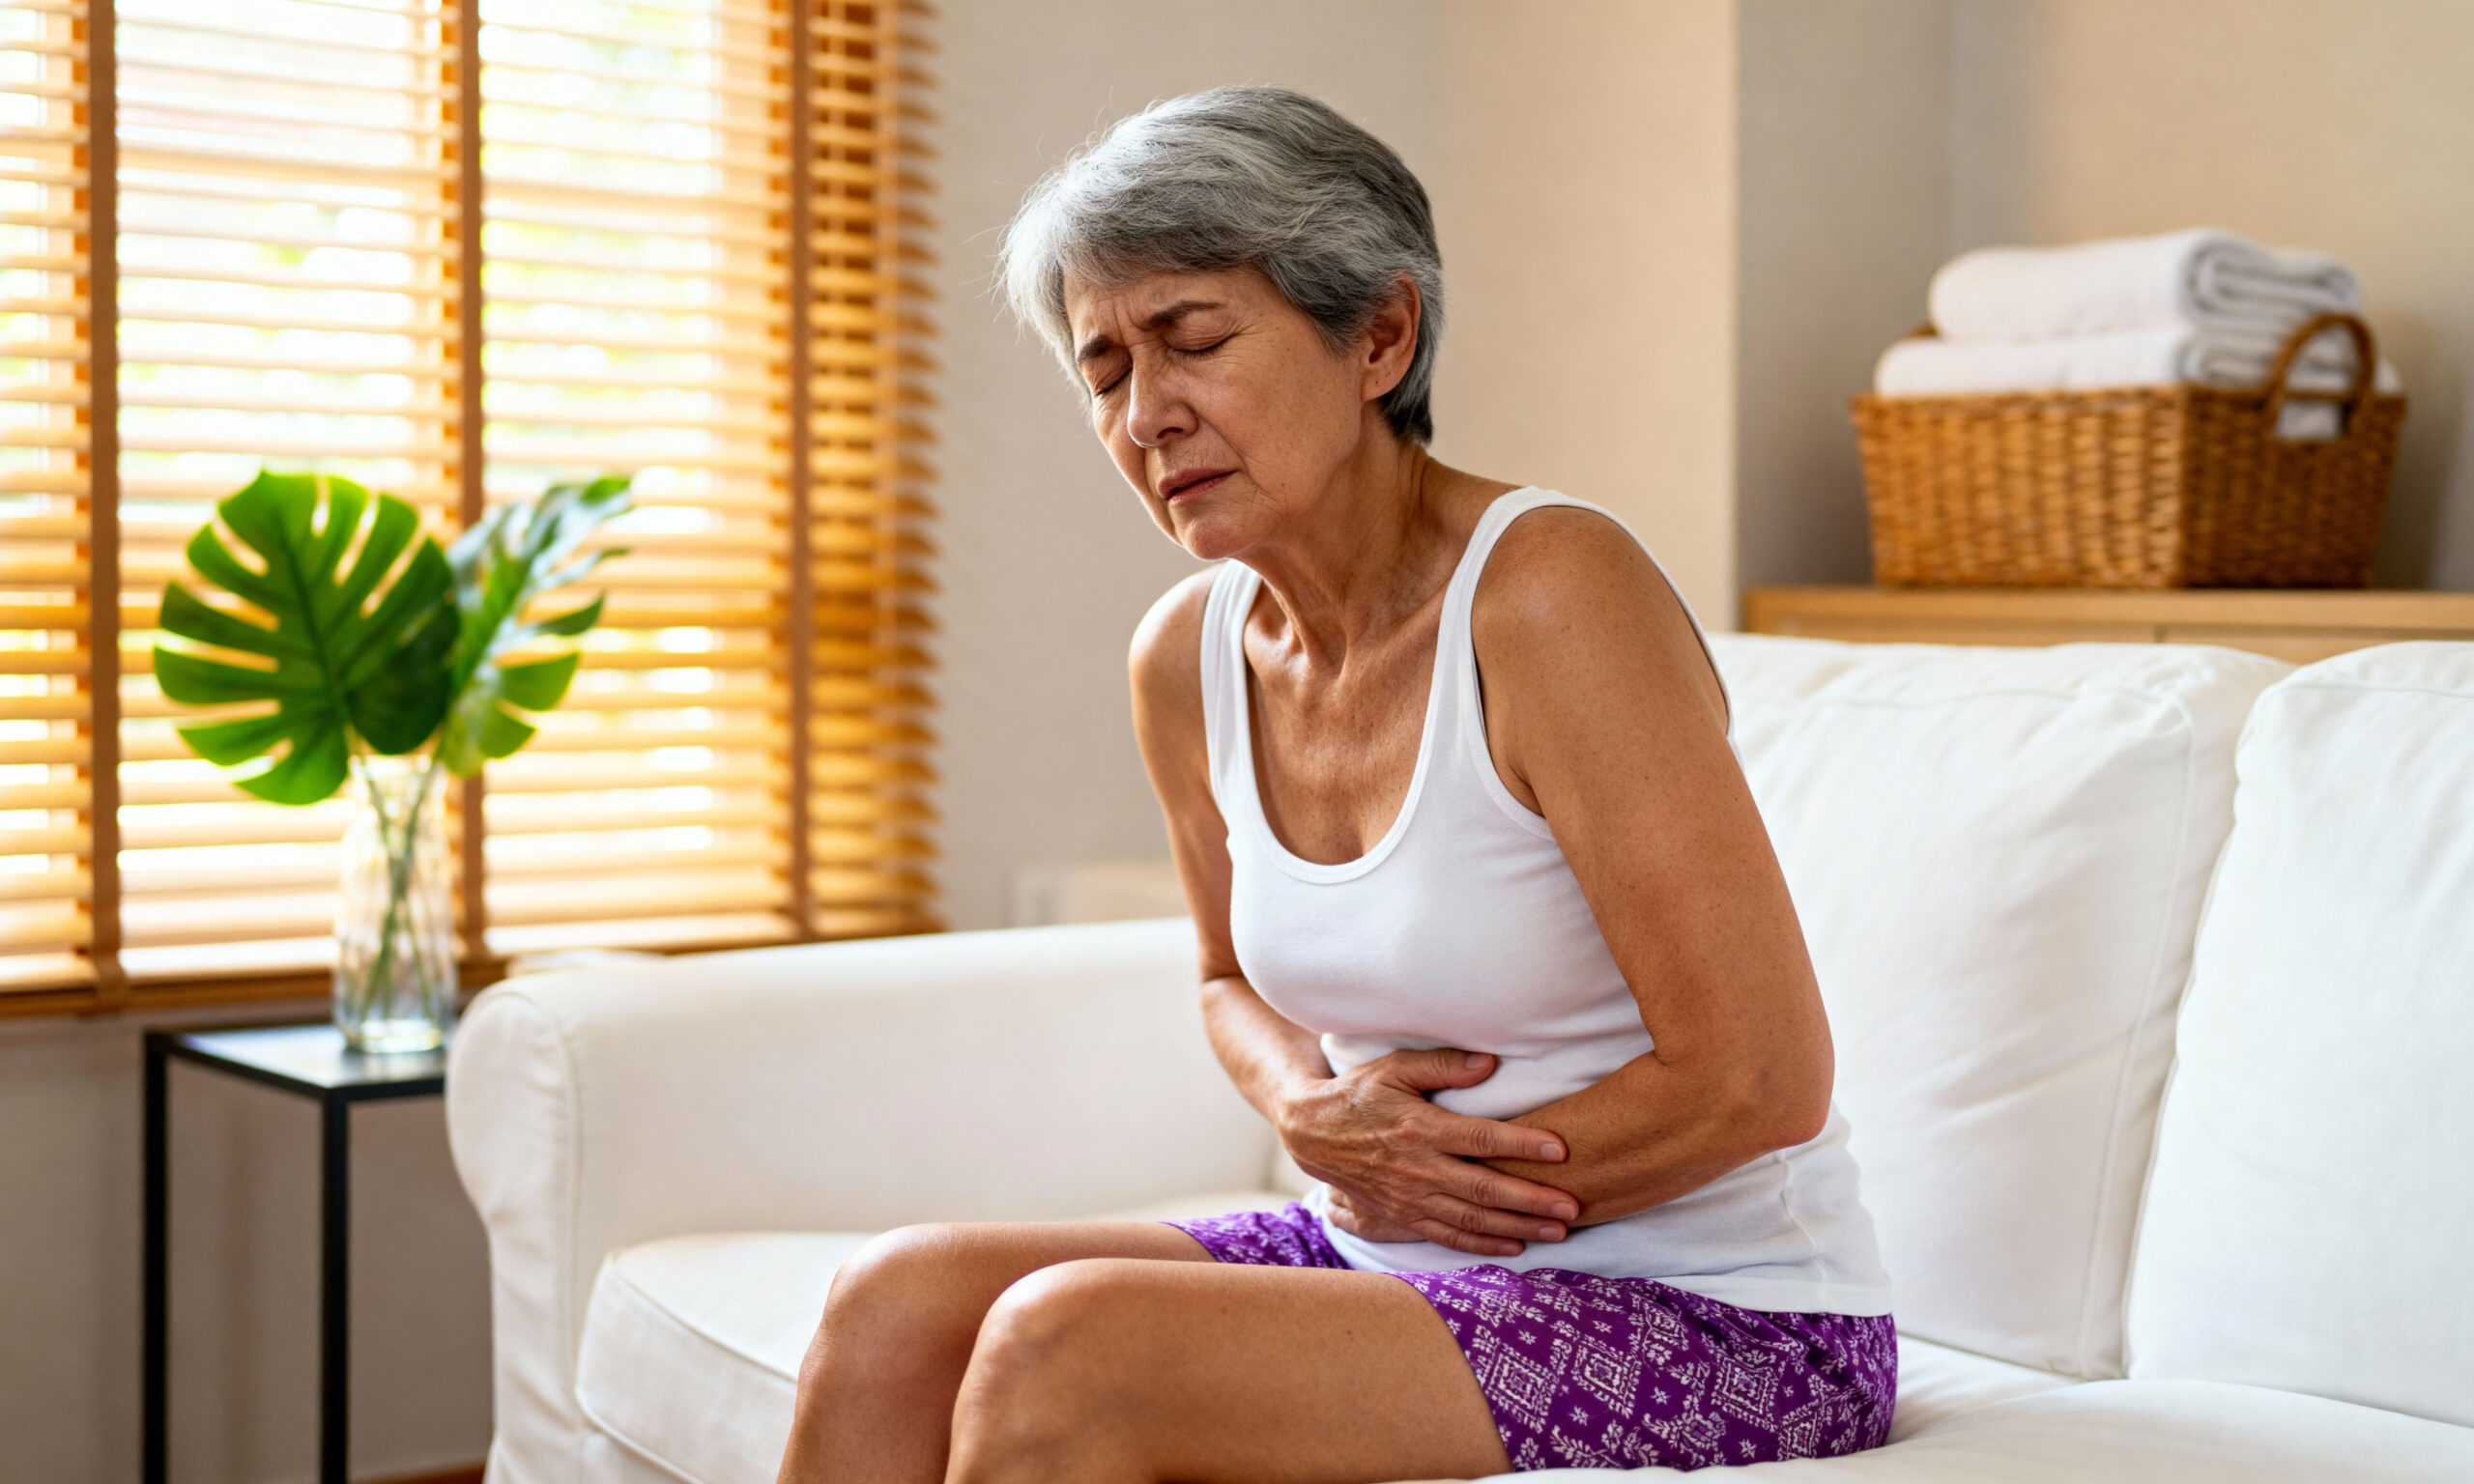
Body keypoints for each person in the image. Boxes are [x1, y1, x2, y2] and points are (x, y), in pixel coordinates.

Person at [775, 86, 1894, 1484]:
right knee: (894, 1303)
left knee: (1074, 1342)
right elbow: (1221, 982)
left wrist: (1422, 1176)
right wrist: (1310, 1115)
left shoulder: (1548, 595)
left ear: (1380, 334)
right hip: (1386, 1251)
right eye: (1106, 370)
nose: (1146, 417)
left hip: (1718, 1311)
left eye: (1192, 342)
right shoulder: (1183, 658)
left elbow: (1763, 1077)